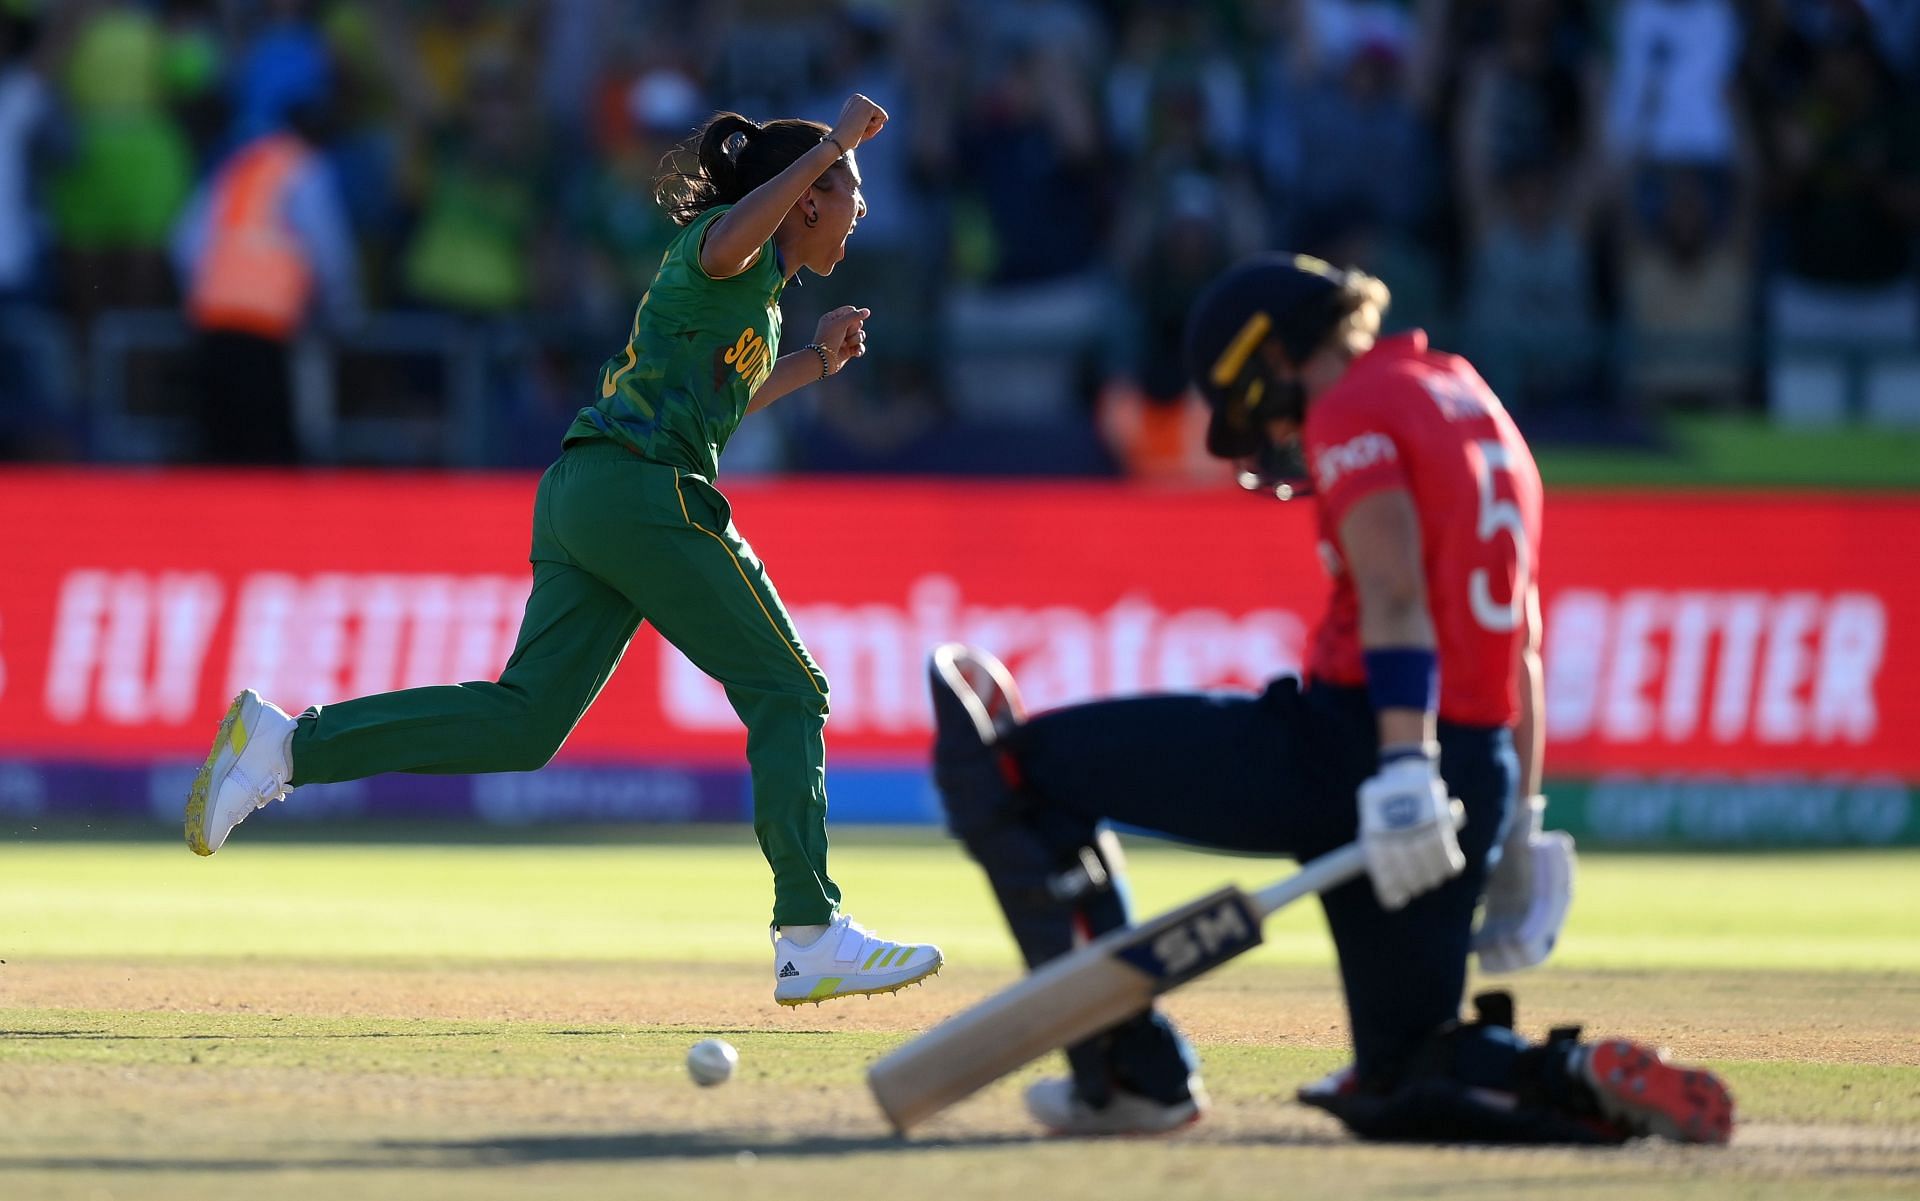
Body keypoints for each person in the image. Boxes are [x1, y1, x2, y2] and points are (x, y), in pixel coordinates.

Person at [927, 253, 1733, 1143]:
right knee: (1403, 1075)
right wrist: (1516, 819)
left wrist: (1399, 762)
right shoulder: (1465, 392)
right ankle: (1575, 1072)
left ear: (1269, 358)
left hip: (1359, 751)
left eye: (1258, 405)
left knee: (1017, 766)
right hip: (1472, 763)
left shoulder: (1353, 405)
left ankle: (1128, 1075)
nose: (1272, 432)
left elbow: (1393, 592)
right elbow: (1522, 641)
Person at [185, 94, 944, 1008]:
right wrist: (833, 141)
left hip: (589, 493)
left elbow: (724, 409)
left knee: (524, 723)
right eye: (848, 193)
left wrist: (819, 362)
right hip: (641, 490)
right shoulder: (721, 246)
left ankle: (284, 745)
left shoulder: (766, 305)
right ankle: (811, 929)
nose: (859, 211)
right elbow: (738, 233)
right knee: (790, 688)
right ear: (807, 198)